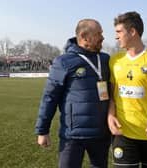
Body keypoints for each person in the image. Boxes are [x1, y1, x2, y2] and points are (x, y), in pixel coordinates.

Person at [35, 18, 111, 168]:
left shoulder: (105, 59)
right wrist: (42, 130)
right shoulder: (63, 62)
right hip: (73, 135)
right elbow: (50, 97)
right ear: (83, 36)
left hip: (101, 134)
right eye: (98, 34)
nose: (103, 37)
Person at [108, 11, 147, 168]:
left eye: (119, 32)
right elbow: (112, 94)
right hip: (123, 133)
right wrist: (110, 114)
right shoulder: (115, 60)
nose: (116, 36)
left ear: (132, 32)